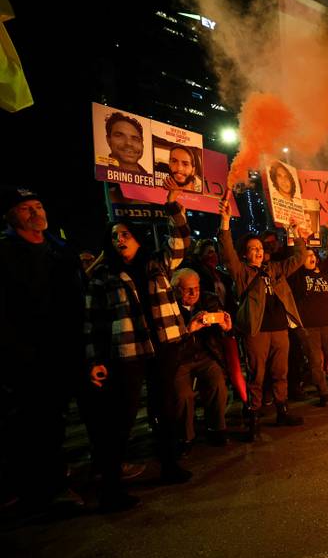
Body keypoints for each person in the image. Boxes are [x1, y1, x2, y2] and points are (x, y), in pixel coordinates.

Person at [83, 182, 192, 512]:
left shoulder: (157, 263)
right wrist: (94, 360)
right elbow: (92, 322)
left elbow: (181, 241)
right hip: (128, 354)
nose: (120, 241)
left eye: (126, 235)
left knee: (166, 408)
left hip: (164, 347)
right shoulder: (102, 274)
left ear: (138, 238)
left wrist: (173, 204)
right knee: (122, 417)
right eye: (115, 237)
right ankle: (111, 485)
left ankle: (169, 465)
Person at [0, 186, 84, 512]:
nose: (36, 213)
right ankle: (44, 491)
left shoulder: (59, 248)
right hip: (28, 356)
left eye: (38, 205)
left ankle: (56, 476)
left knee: (57, 419)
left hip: (68, 348)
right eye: (25, 209)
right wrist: (17, 353)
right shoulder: (5, 252)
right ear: (10, 216)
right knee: (34, 423)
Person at [217, 198, 307, 440]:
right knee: (256, 375)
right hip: (255, 332)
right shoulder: (242, 273)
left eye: (260, 248)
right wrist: (225, 222)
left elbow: (298, 259)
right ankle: (253, 418)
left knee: (281, 372)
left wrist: (296, 234)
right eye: (252, 249)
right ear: (245, 254)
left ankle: (282, 410)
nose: (257, 251)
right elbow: (227, 253)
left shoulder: (274, 269)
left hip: (279, 330)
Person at [171, 268, 232, 447]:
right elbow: (167, 341)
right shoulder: (169, 306)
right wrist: (189, 330)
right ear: (176, 289)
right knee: (183, 395)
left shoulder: (208, 300)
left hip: (205, 354)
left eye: (196, 288)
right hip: (180, 358)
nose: (193, 293)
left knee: (218, 384)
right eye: (187, 289)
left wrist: (225, 327)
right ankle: (185, 437)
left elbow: (221, 330)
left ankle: (216, 428)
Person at [289, 249, 328, 407]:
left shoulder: (325, 277)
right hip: (309, 327)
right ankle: (323, 393)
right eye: (307, 256)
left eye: (313, 256)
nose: (311, 258)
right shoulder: (298, 277)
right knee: (315, 362)